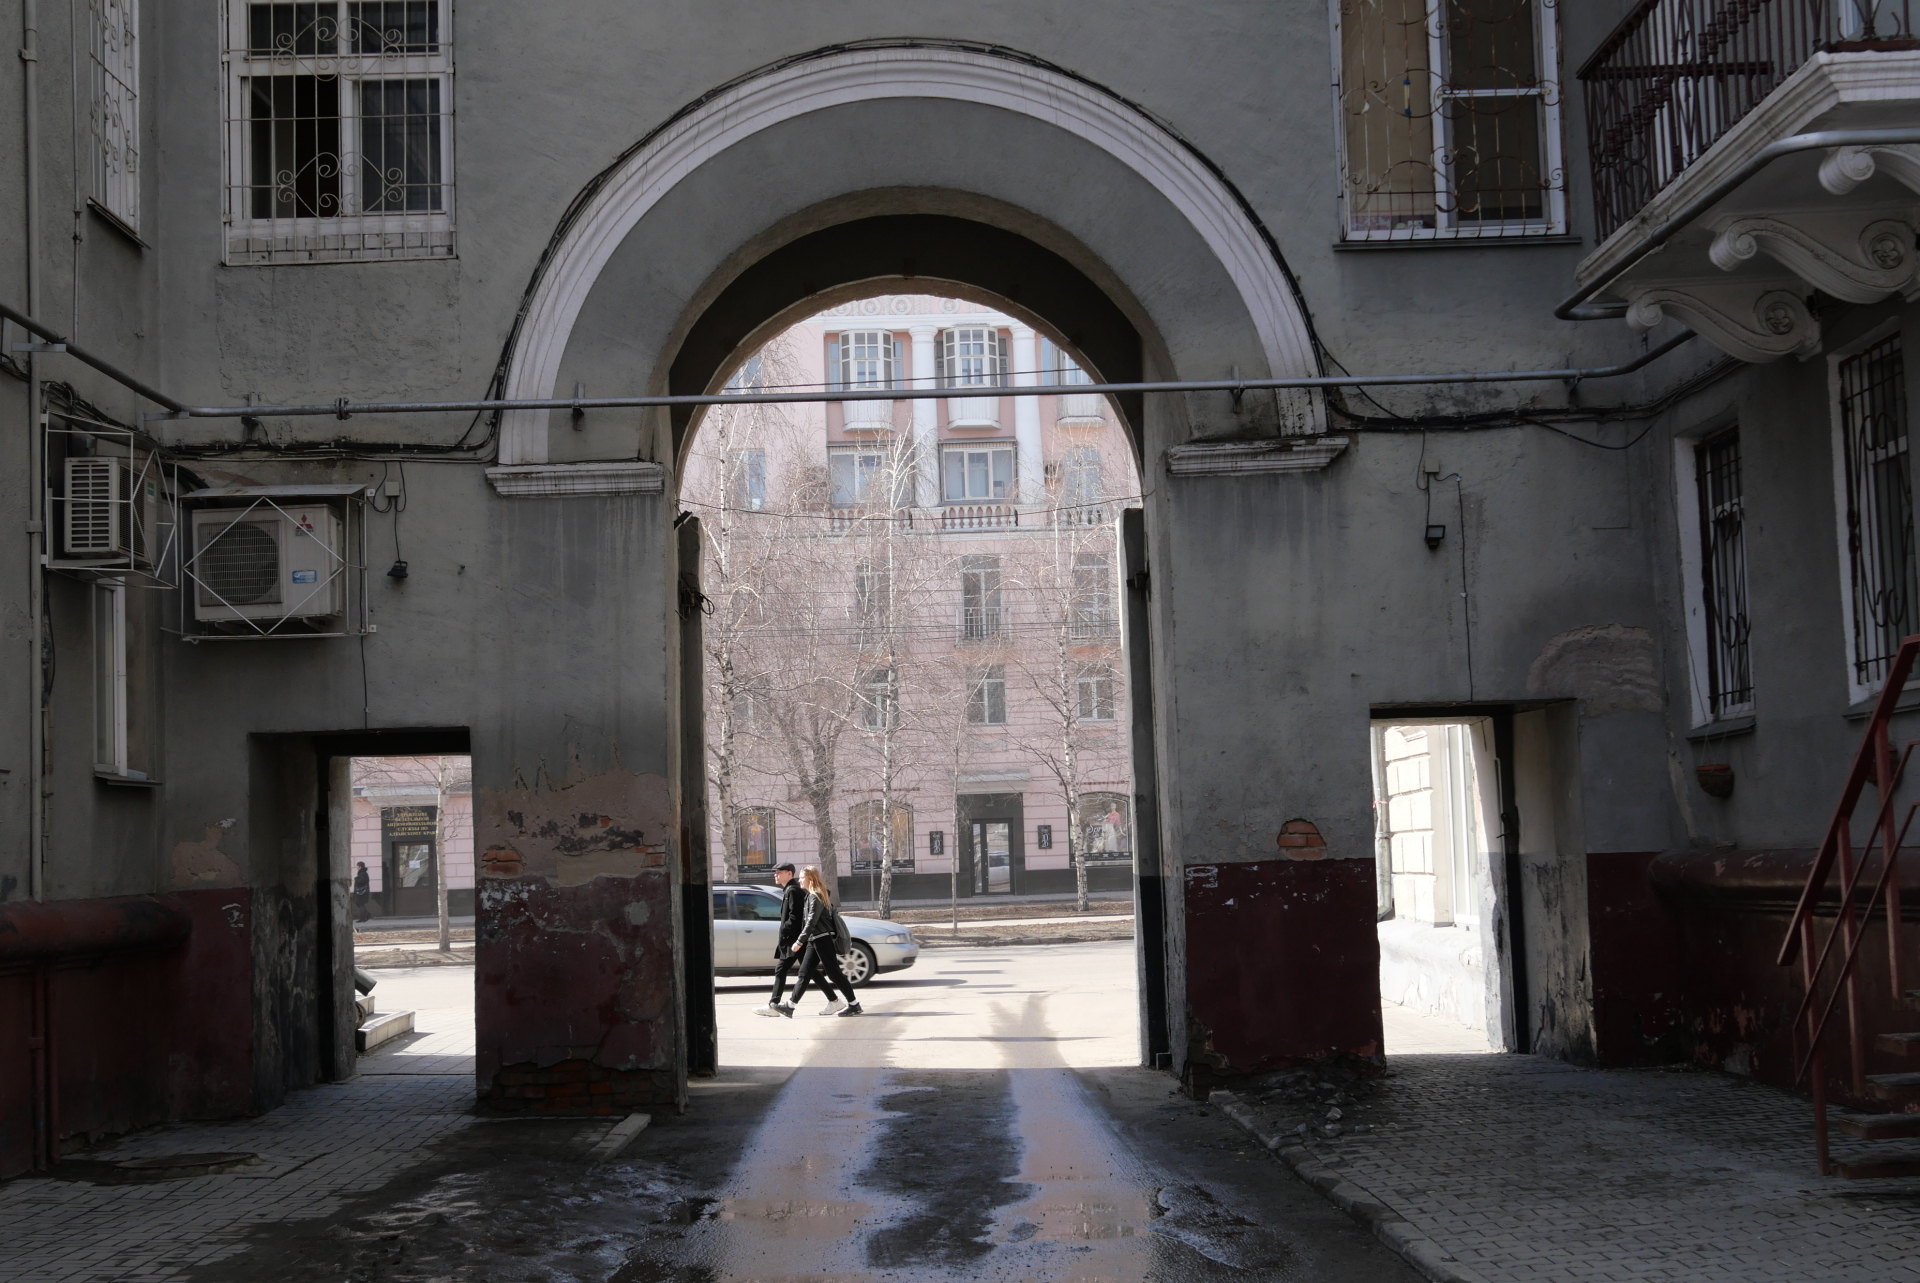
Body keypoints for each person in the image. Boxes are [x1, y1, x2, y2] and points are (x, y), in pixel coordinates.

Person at [783, 867, 862, 1017]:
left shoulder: (816, 896)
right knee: (804, 972)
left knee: (834, 974)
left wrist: (799, 941)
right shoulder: (811, 896)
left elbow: (812, 921)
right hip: (815, 939)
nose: (799, 880)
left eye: (802, 877)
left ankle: (854, 1005)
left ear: (811, 879)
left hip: (823, 939)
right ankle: (790, 1006)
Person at [754, 863, 806, 1017]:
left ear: (789, 874)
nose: (775, 875)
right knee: (809, 972)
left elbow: (795, 917)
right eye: (775, 873)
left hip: (794, 940)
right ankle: (835, 1000)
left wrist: (784, 929)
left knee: (782, 970)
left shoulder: (792, 891)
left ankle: (773, 1005)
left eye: (779, 872)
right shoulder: (790, 890)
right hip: (795, 939)